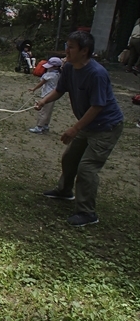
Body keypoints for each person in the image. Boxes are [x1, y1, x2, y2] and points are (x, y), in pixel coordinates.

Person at [35, 31, 124, 227]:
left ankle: (87, 213)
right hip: (88, 124)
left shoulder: (97, 73)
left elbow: (97, 106)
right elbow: (60, 89)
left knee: (87, 168)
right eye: (67, 45)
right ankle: (65, 191)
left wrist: (75, 128)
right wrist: (43, 101)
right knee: (70, 158)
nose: (67, 50)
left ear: (84, 51)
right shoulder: (68, 68)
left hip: (106, 126)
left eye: (71, 47)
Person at [28, 57, 62, 134]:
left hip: (46, 95)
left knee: (43, 111)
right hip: (53, 95)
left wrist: (34, 88)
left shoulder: (49, 74)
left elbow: (42, 83)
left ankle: (39, 127)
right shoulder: (59, 74)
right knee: (48, 112)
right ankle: (45, 125)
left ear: (55, 67)